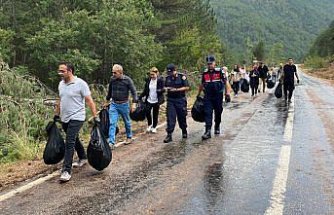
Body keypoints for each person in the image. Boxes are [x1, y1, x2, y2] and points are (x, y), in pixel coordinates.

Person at [54, 62, 97, 182]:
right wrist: (56, 115)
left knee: (69, 141)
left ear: (70, 71)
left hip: (78, 116)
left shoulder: (81, 84)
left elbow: (89, 101)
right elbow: (60, 100)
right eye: (59, 71)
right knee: (74, 138)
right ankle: (83, 157)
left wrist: (95, 116)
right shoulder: (61, 84)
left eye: (62, 71)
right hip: (65, 117)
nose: (60, 73)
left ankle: (66, 170)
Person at [105, 64, 137, 148]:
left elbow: (134, 92)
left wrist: (134, 103)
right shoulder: (112, 79)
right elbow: (110, 91)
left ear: (120, 72)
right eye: (112, 72)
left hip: (124, 104)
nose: (113, 74)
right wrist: (107, 100)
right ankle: (111, 142)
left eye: (115, 73)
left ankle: (129, 137)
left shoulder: (127, 80)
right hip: (114, 104)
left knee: (127, 122)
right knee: (112, 123)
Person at [198, 55, 230, 140]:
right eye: (208, 64)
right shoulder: (205, 73)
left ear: (214, 63)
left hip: (218, 96)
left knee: (218, 112)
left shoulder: (220, 72)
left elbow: (226, 83)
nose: (210, 65)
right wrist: (198, 95)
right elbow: (202, 84)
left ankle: (217, 126)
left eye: (211, 63)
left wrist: (227, 93)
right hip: (208, 96)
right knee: (208, 112)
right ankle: (207, 131)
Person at [163, 64, 189, 143]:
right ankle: (169, 134)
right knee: (170, 117)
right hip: (171, 100)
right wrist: (166, 89)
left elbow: (187, 87)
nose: (169, 74)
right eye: (168, 72)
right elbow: (164, 87)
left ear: (174, 70)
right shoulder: (167, 78)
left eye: (170, 72)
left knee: (182, 117)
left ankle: (184, 130)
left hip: (180, 100)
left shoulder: (182, 77)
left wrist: (177, 89)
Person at [139, 67, 165, 133]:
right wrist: (140, 96)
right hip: (149, 99)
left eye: (153, 74)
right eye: (150, 75)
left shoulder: (160, 80)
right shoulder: (148, 80)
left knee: (155, 114)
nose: (152, 76)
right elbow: (145, 90)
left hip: (156, 100)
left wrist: (160, 90)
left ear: (157, 73)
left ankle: (154, 127)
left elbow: (164, 89)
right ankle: (149, 124)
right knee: (147, 112)